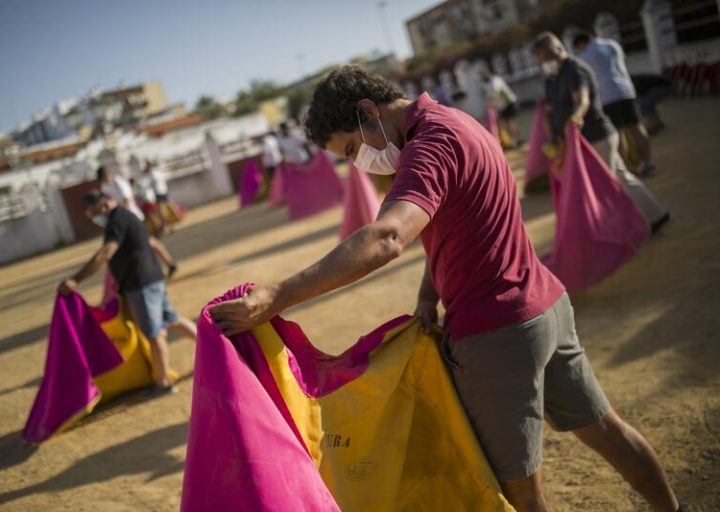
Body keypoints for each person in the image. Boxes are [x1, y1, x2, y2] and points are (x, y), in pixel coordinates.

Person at [210, 66, 682, 512]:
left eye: (353, 148)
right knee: (608, 431)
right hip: (546, 307)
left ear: (369, 111)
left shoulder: (427, 146)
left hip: (497, 334)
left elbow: (387, 238)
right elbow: (463, 224)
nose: (360, 164)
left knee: (517, 492)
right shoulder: (456, 120)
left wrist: (276, 297)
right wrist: (427, 294)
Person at [532, 32, 670, 233]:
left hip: (599, 136)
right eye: (540, 61)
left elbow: (583, 100)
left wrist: (576, 117)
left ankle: (650, 218)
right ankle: (645, 218)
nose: (544, 64)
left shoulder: (575, 69)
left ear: (558, 50)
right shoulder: (552, 79)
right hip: (582, 142)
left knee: (616, 179)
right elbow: (552, 109)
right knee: (610, 181)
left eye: (545, 59)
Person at [59, 190, 197, 392]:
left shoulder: (117, 221)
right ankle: (211, 345)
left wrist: (76, 279)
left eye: (94, 213)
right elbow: (150, 243)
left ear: (104, 206)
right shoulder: (127, 215)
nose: (95, 219)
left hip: (141, 284)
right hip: (151, 279)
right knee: (172, 320)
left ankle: (163, 383)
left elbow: (106, 253)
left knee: (154, 333)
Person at [573, 30, 655, 175]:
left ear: (581, 44)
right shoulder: (613, 45)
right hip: (626, 91)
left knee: (618, 134)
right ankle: (648, 162)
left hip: (608, 97)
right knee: (637, 128)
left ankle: (628, 171)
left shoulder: (586, 56)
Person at [97, 166, 178, 276]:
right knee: (142, 244)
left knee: (148, 242)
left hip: (132, 217)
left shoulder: (119, 182)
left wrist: (120, 216)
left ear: (109, 174)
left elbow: (127, 199)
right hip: (121, 219)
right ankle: (166, 265)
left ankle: (168, 263)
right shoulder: (105, 185)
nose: (104, 180)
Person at [480, 66, 521, 146]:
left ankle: (516, 139)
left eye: (483, 75)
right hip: (501, 106)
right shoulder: (486, 84)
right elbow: (489, 96)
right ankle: (513, 139)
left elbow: (496, 93)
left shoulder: (496, 80)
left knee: (510, 121)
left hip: (509, 102)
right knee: (505, 123)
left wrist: (490, 104)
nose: (482, 77)